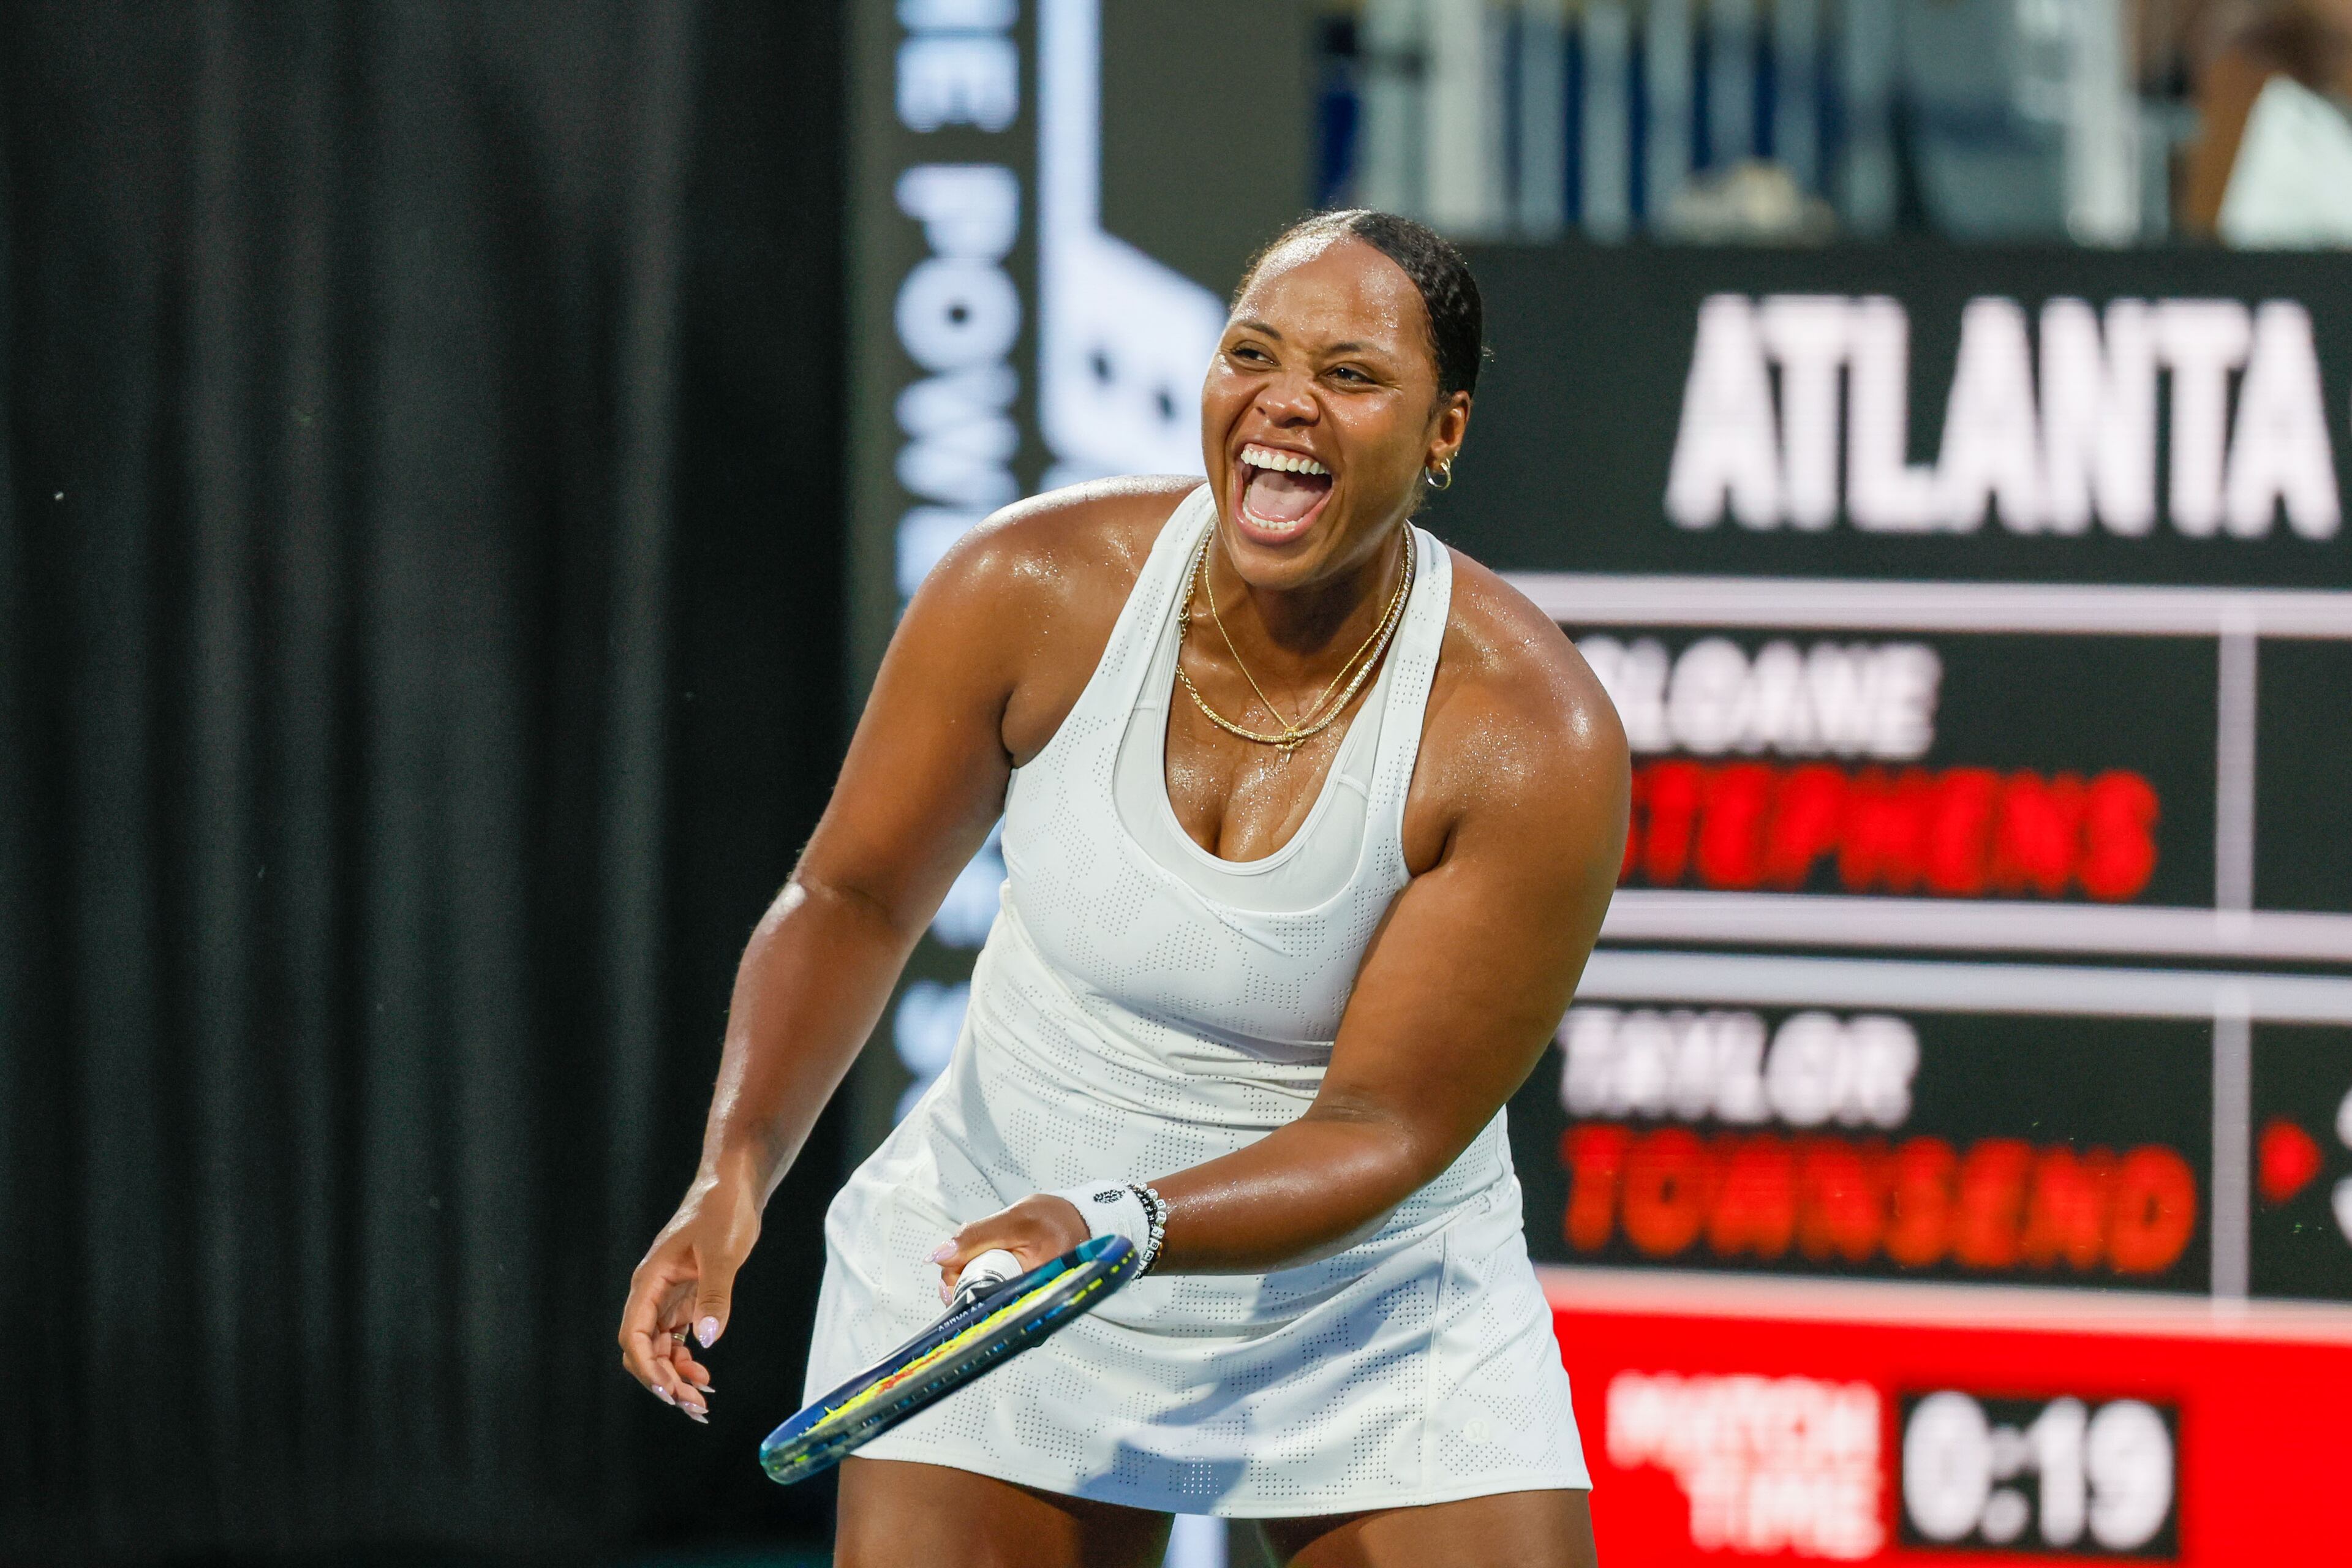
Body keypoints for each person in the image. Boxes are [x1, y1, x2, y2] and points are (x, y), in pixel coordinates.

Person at [617, 209, 1627, 1568]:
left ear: (1444, 431)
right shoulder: (1028, 585)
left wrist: (1116, 1220)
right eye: (1252, 351)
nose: (1284, 401)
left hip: (1367, 1300)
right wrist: (731, 1173)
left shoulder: (1528, 734)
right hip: (1000, 1256)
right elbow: (851, 896)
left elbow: (1385, 1124)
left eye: (1350, 372)